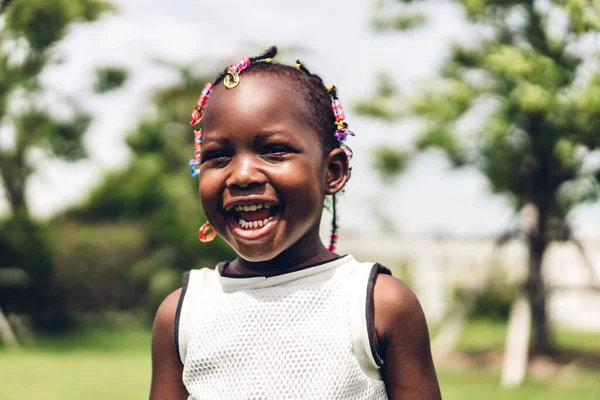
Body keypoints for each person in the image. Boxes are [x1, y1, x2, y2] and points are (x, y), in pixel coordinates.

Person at [149, 46, 441, 400]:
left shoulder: (379, 305)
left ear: (333, 172)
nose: (241, 175)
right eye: (218, 156)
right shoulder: (182, 313)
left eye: (273, 151)